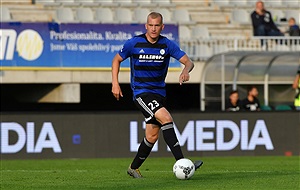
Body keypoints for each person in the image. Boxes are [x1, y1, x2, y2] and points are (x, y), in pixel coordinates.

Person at [111, 12, 203, 178]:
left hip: (159, 93)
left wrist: (185, 70)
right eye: (150, 25)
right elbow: (116, 59)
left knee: (152, 136)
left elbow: (189, 62)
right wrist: (115, 83)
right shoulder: (134, 43)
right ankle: (183, 163)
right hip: (141, 92)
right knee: (166, 118)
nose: (153, 29)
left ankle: (133, 168)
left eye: (157, 25)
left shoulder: (167, 44)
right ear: (146, 26)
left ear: (162, 27)